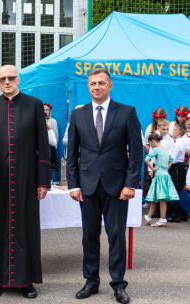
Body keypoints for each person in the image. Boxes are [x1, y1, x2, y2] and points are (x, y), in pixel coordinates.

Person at [67, 68, 142, 304]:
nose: (96, 87)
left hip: (117, 187)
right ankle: (91, 281)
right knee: (89, 235)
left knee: (116, 236)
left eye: (101, 83)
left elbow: (136, 153)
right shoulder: (78, 115)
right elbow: (72, 154)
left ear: (110, 86)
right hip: (87, 186)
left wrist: (131, 183)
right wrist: (73, 185)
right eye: (92, 84)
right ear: (88, 87)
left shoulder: (127, 112)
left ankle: (118, 284)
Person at [0, 65, 51, 299]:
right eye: (2, 79)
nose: (6, 82)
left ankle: (26, 281)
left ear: (18, 79)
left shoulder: (35, 105)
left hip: (27, 177)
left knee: (26, 227)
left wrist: (43, 181)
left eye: (10, 78)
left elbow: (43, 144)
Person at [143, 133, 179, 227]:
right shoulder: (165, 150)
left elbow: (146, 160)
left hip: (159, 176)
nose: (150, 146)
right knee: (156, 197)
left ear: (153, 141)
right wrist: (166, 167)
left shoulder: (156, 150)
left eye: (150, 144)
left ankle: (163, 219)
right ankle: (149, 217)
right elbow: (171, 159)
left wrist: (153, 168)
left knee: (161, 199)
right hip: (165, 175)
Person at [167, 124, 187, 222]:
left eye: (173, 130)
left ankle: (174, 214)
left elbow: (172, 159)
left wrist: (166, 168)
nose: (172, 132)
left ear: (177, 133)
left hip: (176, 167)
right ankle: (178, 213)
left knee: (174, 189)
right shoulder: (180, 142)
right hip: (180, 167)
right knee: (177, 188)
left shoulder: (177, 144)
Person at [44, 103, 59, 171]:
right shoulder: (38, 120)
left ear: (50, 111)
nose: (45, 111)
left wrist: (54, 145)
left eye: (47, 109)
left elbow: (55, 133)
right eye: (44, 110)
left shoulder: (53, 121)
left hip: (50, 146)